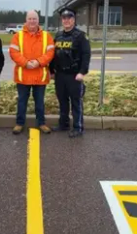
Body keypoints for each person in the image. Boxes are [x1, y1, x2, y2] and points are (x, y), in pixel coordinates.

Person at [9, 10, 55, 135]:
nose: (32, 21)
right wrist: (26, 63)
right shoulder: (18, 36)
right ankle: (19, 123)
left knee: (40, 102)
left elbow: (50, 53)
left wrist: (38, 62)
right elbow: (14, 53)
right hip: (23, 76)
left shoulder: (47, 36)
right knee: (22, 101)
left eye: (34, 19)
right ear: (26, 20)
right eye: (30, 19)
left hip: (40, 76)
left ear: (38, 20)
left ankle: (42, 123)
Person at [49, 7, 91, 138]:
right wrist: (51, 70)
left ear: (73, 20)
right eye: (64, 18)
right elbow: (53, 55)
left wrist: (82, 72)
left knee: (76, 102)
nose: (66, 20)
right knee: (62, 101)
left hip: (74, 75)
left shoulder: (80, 36)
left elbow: (86, 55)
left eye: (69, 18)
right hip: (60, 75)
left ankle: (78, 127)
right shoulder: (58, 35)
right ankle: (64, 124)